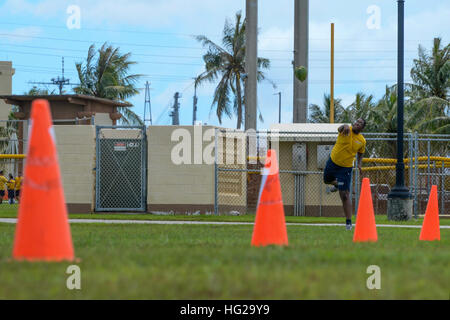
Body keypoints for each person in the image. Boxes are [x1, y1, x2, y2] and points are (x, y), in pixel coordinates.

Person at [323, 118, 366, 230]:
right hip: (333, 162)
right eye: (356, 121)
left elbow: (361, 153)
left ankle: (348, 223)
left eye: (360, 123)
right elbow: (340, 128)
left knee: (345, 195)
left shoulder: (362, 141)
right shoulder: (345, 130)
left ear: (362, 128)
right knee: (326, 180)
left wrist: (360, 164)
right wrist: (345, 124)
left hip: (346, 168)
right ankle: (337, 184)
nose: (357, 123)